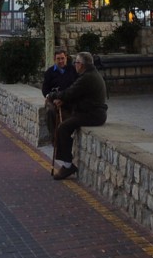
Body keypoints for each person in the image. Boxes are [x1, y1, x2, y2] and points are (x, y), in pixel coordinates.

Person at [50, 51, 107, 181]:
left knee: (63, 127)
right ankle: (65, 158)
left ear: (81, 65)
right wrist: (63, 100)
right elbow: (75, 94)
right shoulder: (90, 74)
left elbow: (70, 92)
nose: (74, 65)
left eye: (76, 62)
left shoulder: (87, 77)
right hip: (91, 112)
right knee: (64, 123)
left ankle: (67, 165)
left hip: (93, 114)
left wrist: (53, 96)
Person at [42, 46, 76, 140]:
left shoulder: (72, 70)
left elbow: (75, 87)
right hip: (54, 100)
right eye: (58, 59)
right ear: (54, 59)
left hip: (68, 99)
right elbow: (45, 90)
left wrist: (64, 100)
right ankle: (55, 138)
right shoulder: (49, 73)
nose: (61, 61)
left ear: (66, 58)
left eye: (62, 58)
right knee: (50, 112)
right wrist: (53, 99)